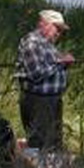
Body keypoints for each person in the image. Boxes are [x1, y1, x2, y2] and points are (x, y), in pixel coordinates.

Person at [15, 9, 75, 152]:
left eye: (61, 31)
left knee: (53, 144)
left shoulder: (46, 44)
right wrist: (61, 62)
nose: (59, 34)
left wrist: (62, 64)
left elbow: (50, 69)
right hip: (39, 102)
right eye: (57, 29)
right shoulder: (32, 43)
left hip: (51, 100)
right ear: (44, 24)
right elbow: (36, 73)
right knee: (39, 144)